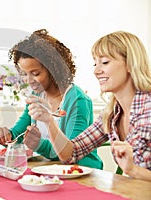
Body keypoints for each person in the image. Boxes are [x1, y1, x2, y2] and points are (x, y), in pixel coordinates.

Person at [27, 31, 151, 181]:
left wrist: (133, 170)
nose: (96, 71)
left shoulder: (148, 109)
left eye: (105, 62)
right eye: (95, 63)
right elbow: (71, 153)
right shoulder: (111, 113)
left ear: (131, 64)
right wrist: (49, 121)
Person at [0, 29, 103, 169]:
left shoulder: (77, 100)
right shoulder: (37, 95)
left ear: (53, 69)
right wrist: (6, 136)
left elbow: (71, 154)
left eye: (35, 73)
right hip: (50, 169)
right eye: (24, 74)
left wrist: (39, 145)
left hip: (82, 172)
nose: (29, 80)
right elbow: (18, 135)